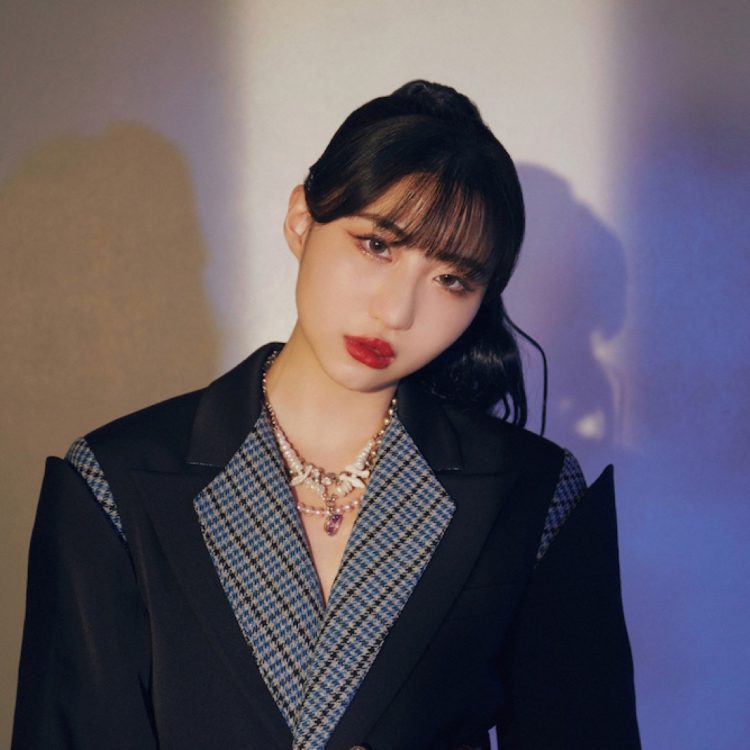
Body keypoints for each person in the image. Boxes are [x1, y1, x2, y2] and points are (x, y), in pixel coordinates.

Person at [13, 80, 640, 749]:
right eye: (377, 245)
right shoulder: (117, 481)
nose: (396, 311)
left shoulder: (530, 494)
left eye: (451, 279)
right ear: (300, 220)